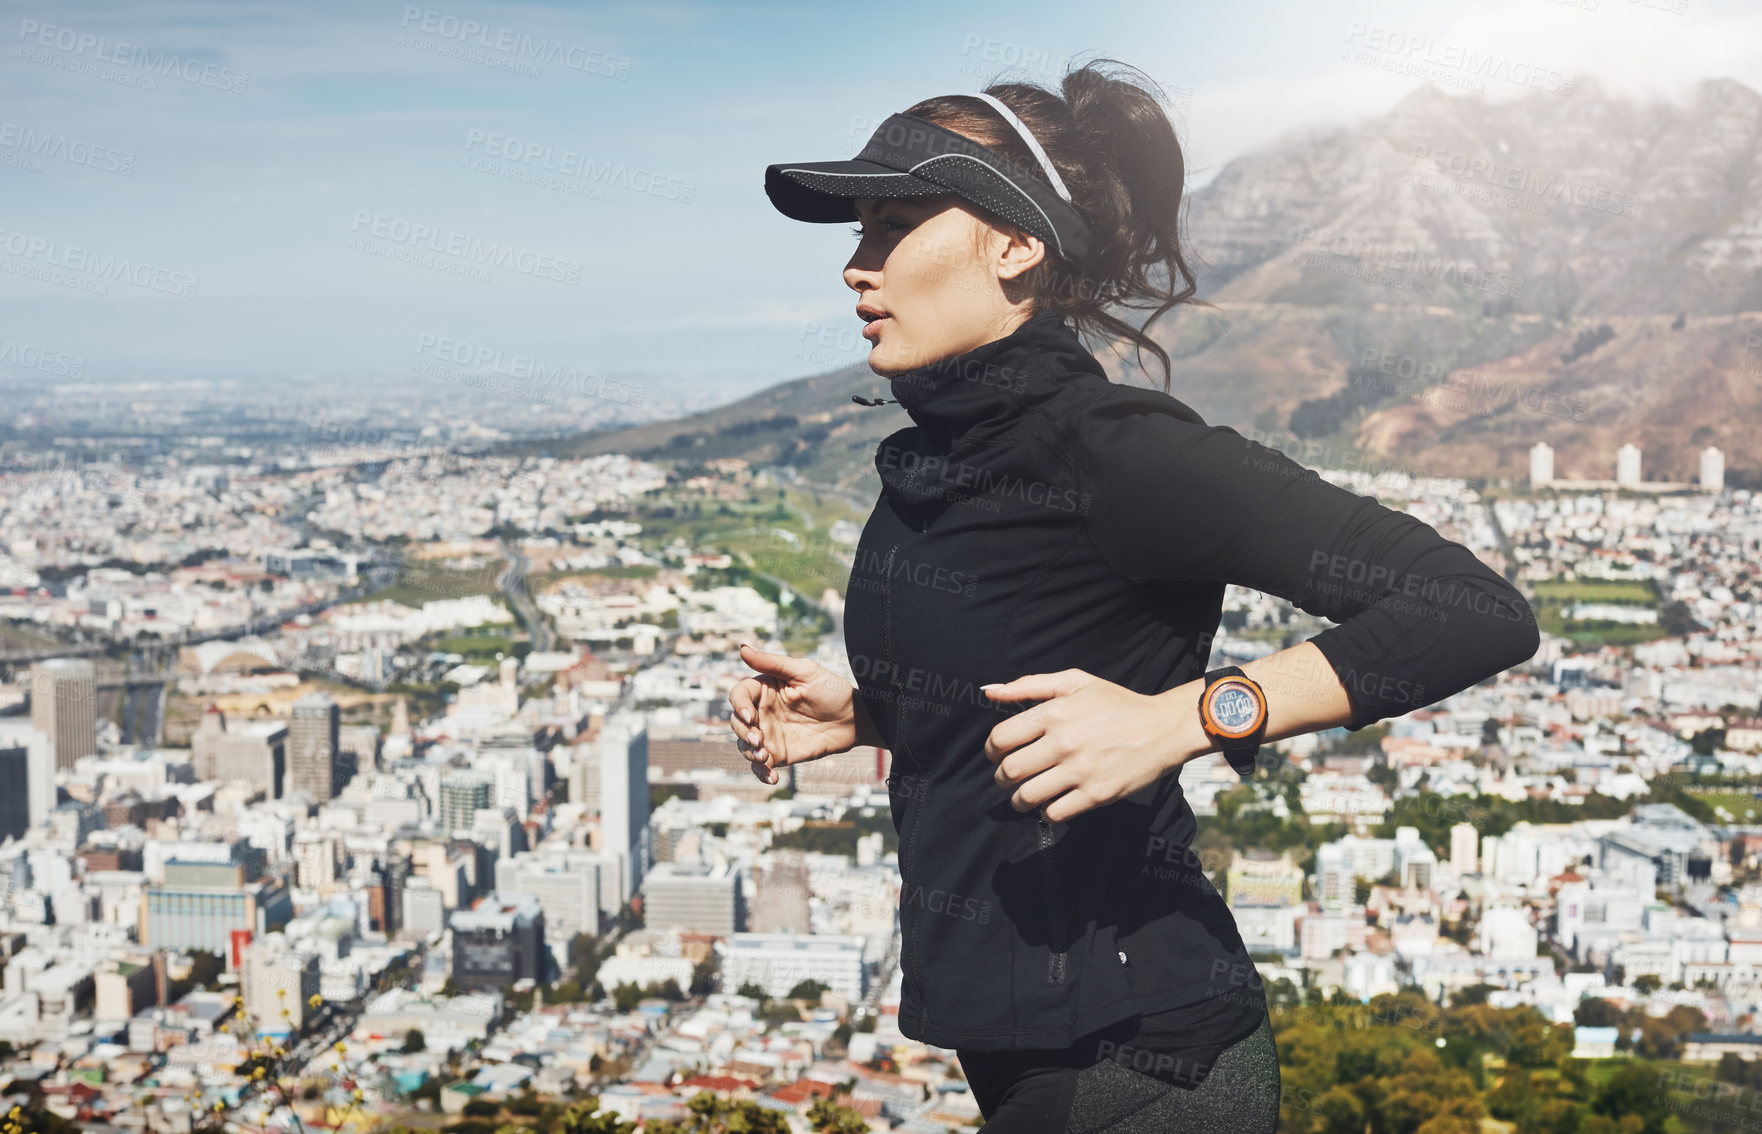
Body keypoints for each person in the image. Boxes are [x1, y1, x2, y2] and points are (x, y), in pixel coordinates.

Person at [729, 58, 1540, 1133]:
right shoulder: (948, 452)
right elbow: (1052, 669)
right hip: (1027, 1056)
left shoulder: (1115, 453)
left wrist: (1191, 717)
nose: (855, 266)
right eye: (856, 231)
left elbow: (1473, 608)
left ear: (1017, 246)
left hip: (1146, 1066)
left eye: (891, 225)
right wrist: (874, 712)